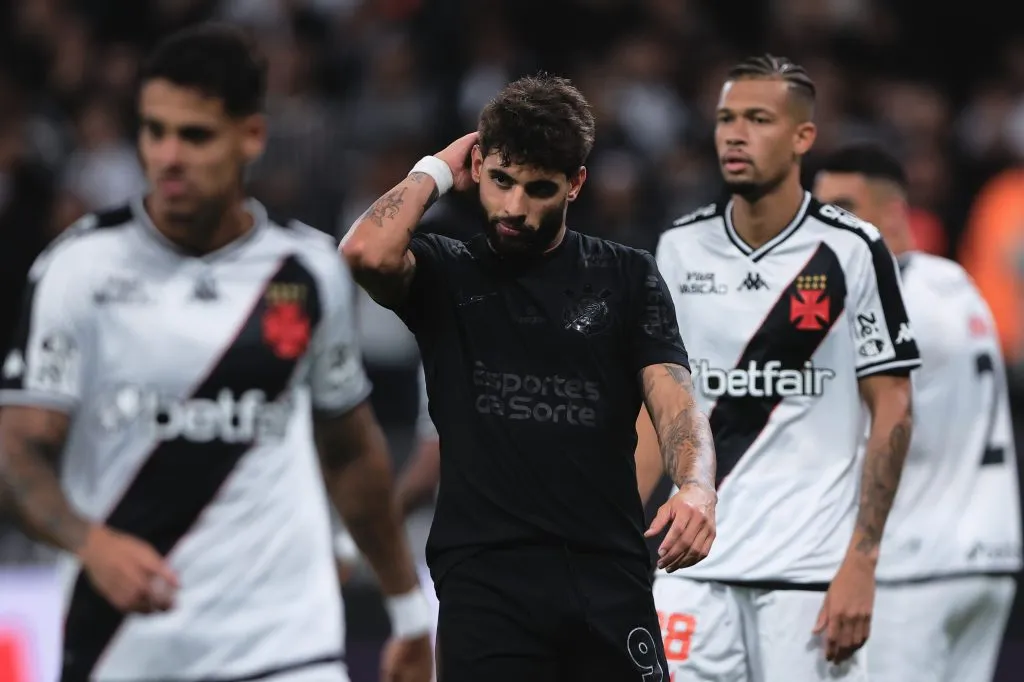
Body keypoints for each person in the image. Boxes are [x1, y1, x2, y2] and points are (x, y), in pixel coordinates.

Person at [0, 24, 432, 682]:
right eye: (154, 132)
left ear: (250, 136)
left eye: (195, 135)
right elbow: (16, 450)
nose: (168, 156)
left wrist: (406, 607)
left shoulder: (307, 270)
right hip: (126, 649)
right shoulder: (79, 268)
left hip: (285, 645)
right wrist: (91, 543)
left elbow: (350, 451)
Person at [341, 73, 718, 681]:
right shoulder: (446, 272)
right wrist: (436, 169)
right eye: (501, 181)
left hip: (607, 577)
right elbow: (364, 252)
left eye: (539, 188)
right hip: (484, 585)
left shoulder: (627, 276)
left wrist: (696, 485)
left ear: (576, 184)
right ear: (478, 167)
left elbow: (674, 399)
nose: (514, 207)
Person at [638, 54, 920, 682]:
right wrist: (616, 534)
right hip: (692, 564)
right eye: (726, 119)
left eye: (758, 119)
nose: (735, 135)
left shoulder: (853, 249)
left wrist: (862, 563)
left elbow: (894, 407)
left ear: (802, 137)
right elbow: (661, 409)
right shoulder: (680, 246)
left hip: (808, 574)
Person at [814, 143, 1022, 682]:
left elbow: (868, 432)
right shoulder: (954, 281)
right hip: (989, 556)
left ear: (892, 212)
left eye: (842, 208)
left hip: (914, 561)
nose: (825, 225)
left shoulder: (886, 301)